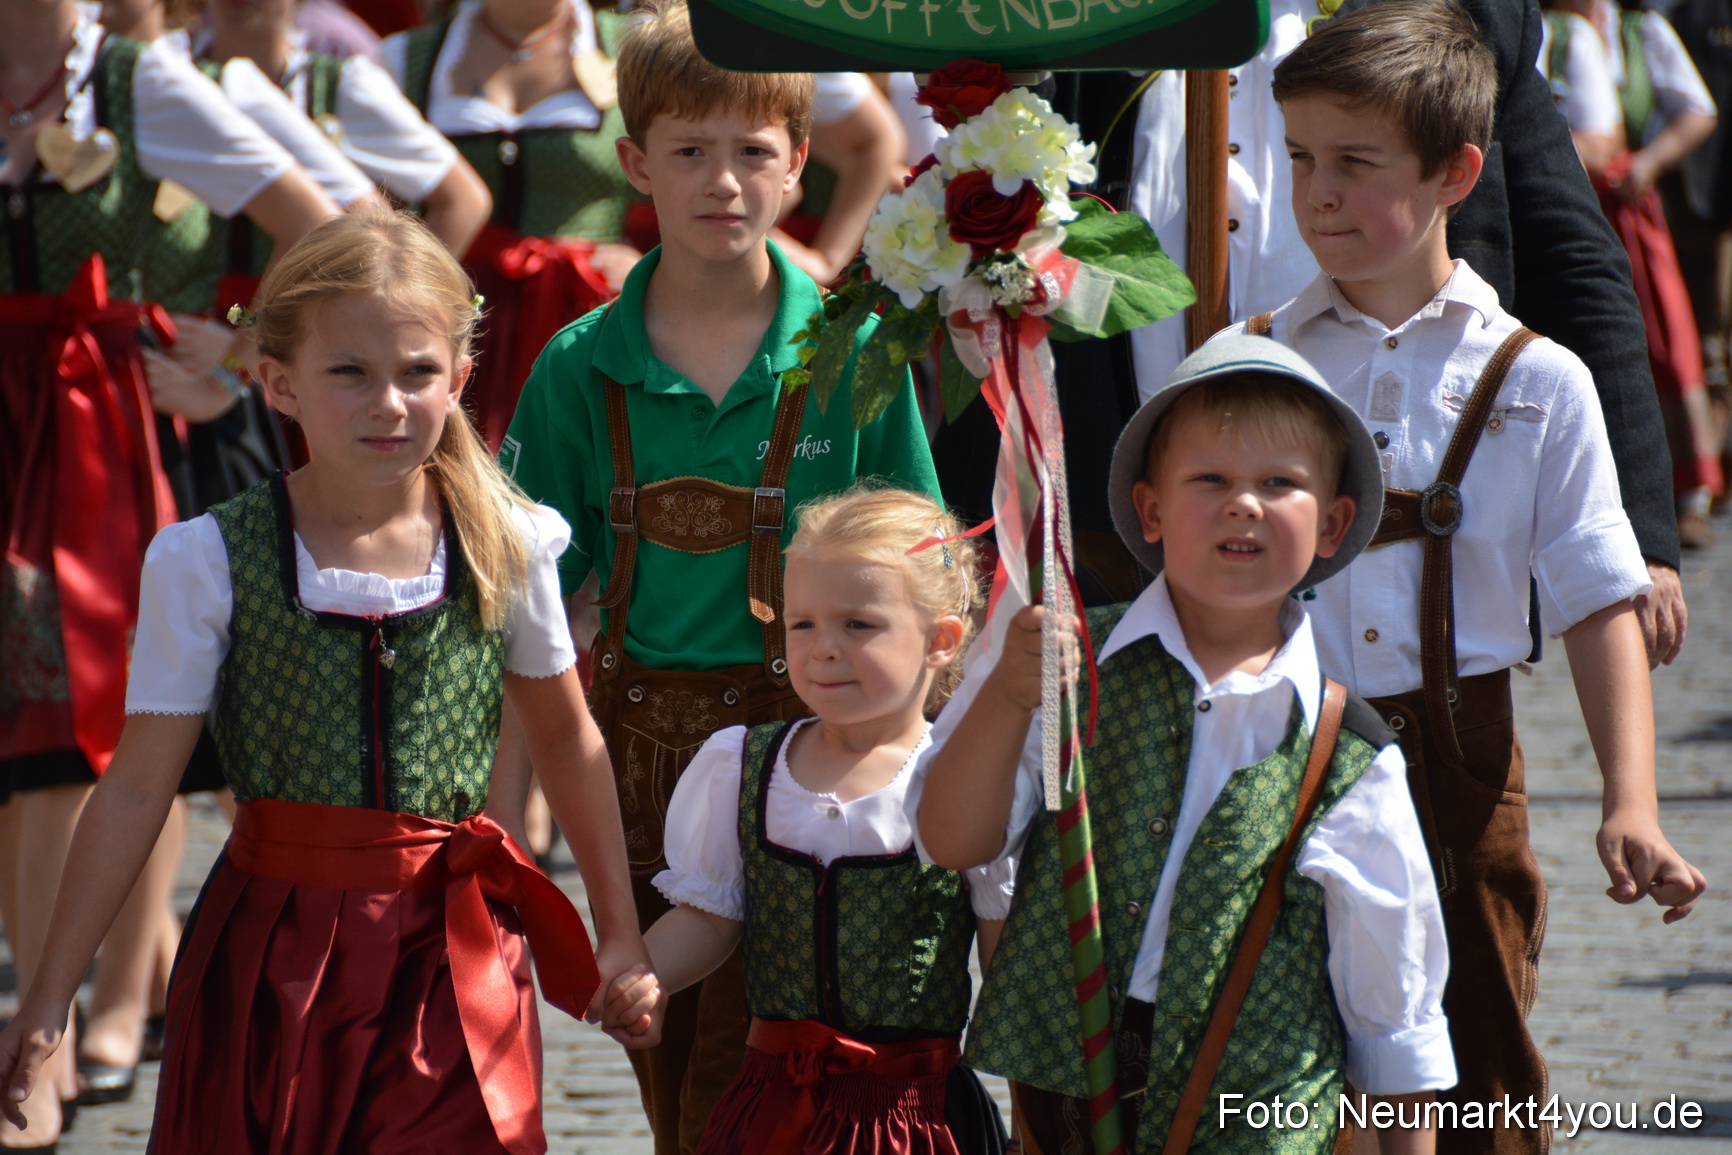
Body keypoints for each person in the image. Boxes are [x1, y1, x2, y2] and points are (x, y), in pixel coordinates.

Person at [0, 209, 663, 1154]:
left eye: (417, 373)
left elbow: (566, 738)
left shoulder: (507, 543)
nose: (388, 403)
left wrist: (620, 934)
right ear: (279, 383)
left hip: (450, 949)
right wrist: (49, 993)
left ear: (460, 380)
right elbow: (140, 783)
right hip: (268, 949)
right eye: (349, 372)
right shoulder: (208, 557)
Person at [1231, 3, 1707, 1149]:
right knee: (1296, 1074)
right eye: (1299, 159)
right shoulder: (1256, 364)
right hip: (1281, 769)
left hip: (1464, 763)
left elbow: (1598, 597)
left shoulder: (1539, 383)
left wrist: (1629, 801)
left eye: (1354, 163)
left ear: (1456, 173)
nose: (1319, 194)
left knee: (1477, 1058)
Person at [498, 5, 942, 1150]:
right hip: (636, 755)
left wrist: (912, 755)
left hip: (813, 747)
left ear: (800, 164)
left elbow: (928, 566)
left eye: (753, 151)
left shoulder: (855, 352)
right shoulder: (577, 367)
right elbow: (522, 609)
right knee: (669, 1060)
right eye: (689, 151)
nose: (722, 181)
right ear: (636, 163)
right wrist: (502, 816)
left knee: (766, 1082)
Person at [916, 337, 1455, 1154]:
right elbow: (951, 837)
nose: (1245, 503)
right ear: (1151, 509)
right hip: (1068, 1110)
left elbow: (1397, 1017)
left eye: (1280, 483)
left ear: (1334, 522)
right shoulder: (1065, 670)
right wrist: (1003, 694)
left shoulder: (1350, 756)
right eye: (1211, 480)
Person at [1037, 0, 1693, 663]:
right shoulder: (1096, 11)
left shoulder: (1468, 10)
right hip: (1121, 535)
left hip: (1410, 578)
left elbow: (1569, 254)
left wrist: (1633, 537)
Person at [0, 2, 339, 1144]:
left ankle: (72, 1028)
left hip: (102, 441)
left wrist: (241, 359)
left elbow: (321, 223)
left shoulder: (138, 84)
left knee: (78, 738)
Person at [606, 487, 1009, 1155]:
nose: (824, 648)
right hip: (773, 1112)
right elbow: (711, 915)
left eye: (858, 624)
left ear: (940, 640)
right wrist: (648, 974)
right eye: (802, 624)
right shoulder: (743, 764)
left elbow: (1003, 957)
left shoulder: (960, 780)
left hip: (914, 1117)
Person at [382, 0, 646, 450]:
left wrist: (658, 262)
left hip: (588, 311)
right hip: (454, 312)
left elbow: (708, 157)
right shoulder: (402, 57)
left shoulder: (637, 44)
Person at [1543, 0, 1724, 548]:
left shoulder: (1638, 32)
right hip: (1560, 206)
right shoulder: (1546, 28)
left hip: (1629, 208)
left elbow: (1691, 110)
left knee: (1669, 341)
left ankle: (1691, 492)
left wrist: (1648, 163)